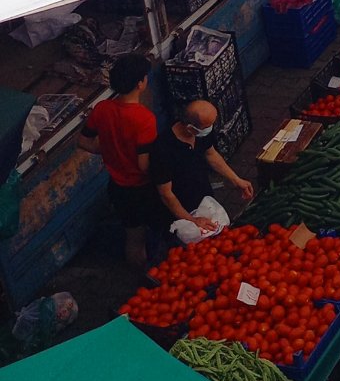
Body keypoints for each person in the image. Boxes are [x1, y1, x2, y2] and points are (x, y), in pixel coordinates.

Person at [78, 53, 158, 271]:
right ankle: (142, 275)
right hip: (139, 189)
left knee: (133, 234)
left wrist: (108, 150)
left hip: (118, 187)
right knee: (140, 238)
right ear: (140, 83)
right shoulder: (144, 119)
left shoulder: (102, 109)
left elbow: (84, 141)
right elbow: (143, 165)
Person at [149, 100, 254, 243]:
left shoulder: (201, 133)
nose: (210, 129)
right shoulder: (163, 150)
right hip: (179, 211)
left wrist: (236, 179)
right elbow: (166, 194)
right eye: (207, 126)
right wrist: (191, 220)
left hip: (202, 197)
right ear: (190, 128)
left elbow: (210, 154)